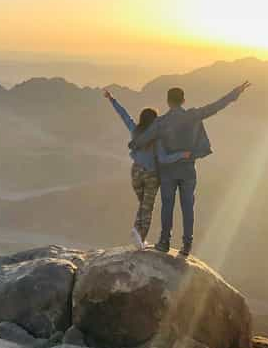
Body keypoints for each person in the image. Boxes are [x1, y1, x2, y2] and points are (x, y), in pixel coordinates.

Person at [129, 81, 252, 256]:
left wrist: (133, 144)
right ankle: (187, 245)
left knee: (167, 206)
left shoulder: (161, 122)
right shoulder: (193, 116)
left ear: (168, 101)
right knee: (187, 207)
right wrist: (235, 93)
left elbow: (141, 141)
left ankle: (164, 242)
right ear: (183, 100)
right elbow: (215, 107)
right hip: (187, 170)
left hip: (168, 172)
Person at [104, 89, 191, 250]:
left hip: (136, 172)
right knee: (147, 208)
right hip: (151, 175)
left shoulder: (135, 131)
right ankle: (140, 238)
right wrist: (182, 155)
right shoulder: (157, 138)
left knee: (142, 205)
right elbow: (164, 159)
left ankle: (136, 232)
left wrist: (112, 99)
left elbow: (124, 115)